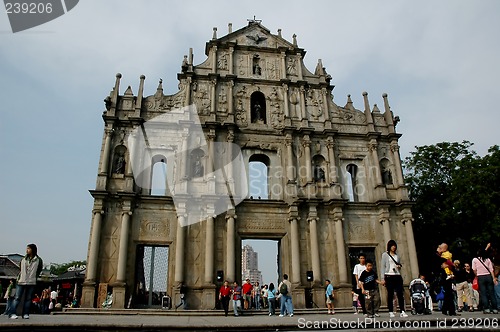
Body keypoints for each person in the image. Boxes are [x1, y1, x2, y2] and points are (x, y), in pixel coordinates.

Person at [7, 243, 43, 319]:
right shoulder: (23, 259)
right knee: (17, 297)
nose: (27, 250)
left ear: (33, 250)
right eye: (27, 248)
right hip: (21, 280)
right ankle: (12, 313)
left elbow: (39, 270)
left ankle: (26, 313)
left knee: (28, 299)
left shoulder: (38, 260)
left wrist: (34, 277)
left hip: (31, 281)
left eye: (28, 248)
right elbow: (20, 268)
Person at [381, 240, 408, 318]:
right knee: (390, 294)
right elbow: (383, 266)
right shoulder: (385, 255)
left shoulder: (397, 255)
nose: (394, 247)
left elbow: (398, 264)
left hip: (397, 275)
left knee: (400, 293)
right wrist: (383, 278)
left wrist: (399, 266)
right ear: (389, 246)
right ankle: (390, 311)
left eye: (395, 245)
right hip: (389, 275)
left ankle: (402, 310)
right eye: (392, 245)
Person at [472, 248, 498, 314]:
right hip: (489, 276)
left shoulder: (475, 260)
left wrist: (477, 275)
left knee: (483, 293)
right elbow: (491, 269)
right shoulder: (488, 259)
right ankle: (495, 308)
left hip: (480, 276)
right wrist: (493, 278)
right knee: (491, 293)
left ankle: (486, 308)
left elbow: (474, 269)